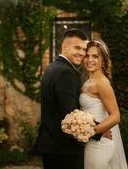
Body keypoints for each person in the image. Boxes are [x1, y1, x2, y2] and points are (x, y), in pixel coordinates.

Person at [35, 29, 88, 169]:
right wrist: (99, 130)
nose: (82, 53)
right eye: (77, 47)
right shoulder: (66, 72)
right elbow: (70, 115)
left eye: (84, 49)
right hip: (63, 149)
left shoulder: (52, 68)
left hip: (52, 145)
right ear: (64, 47)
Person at [80, 39, 128, 169]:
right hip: (92, 142)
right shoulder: (88, 82)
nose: (90, 60)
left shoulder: (102, 83)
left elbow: (116, 116)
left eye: (95, 56)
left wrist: (93, 131)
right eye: (87, 55)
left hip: (100, 144)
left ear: (103, 61)